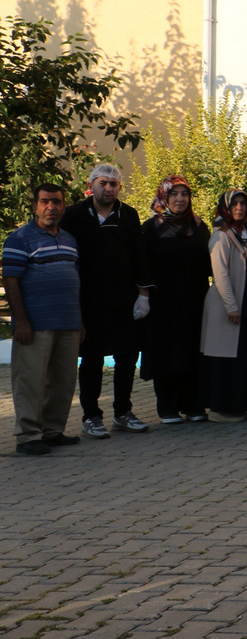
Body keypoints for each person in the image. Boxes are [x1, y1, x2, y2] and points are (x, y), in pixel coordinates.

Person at [60, 163, 152, 438]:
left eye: (113, 184)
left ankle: (123, 412)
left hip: (123, 298)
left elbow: (139, 255)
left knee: (127, 356)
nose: (108, 188)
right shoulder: (74, 215)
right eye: (103, 183)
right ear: (92, 185)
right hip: (88, 299)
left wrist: (143, 295)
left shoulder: (129, 215)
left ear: (120, 187)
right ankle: (91, 416)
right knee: (91, 359)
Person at [3, 184, 83, 455]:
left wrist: (80, 320)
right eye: (45, 202)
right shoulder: (19, 239)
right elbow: (11, 282)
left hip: (68, 321)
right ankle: (28, 436)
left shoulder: (70, 239)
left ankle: (52, 431)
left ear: (63, 205)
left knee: (63, 382)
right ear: (35, 206)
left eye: (57, 202)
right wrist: (21, 321)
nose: (51, 207)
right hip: (35, 324)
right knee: (30, 382)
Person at [139, 176, 212, 423]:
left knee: (193, 351)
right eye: (174, 194)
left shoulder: (199, 227)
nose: (180, 199)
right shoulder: (150, 229)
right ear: (164, 197)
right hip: (163, 304)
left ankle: (193, 405)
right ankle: (168, 407)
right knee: (167, 353)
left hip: (194, 302)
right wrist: (143, 296)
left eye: (185, 194)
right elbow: (142, 266)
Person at [199, 190, 247, 422]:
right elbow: (220, 273)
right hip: (225, 306)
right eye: (234, 204)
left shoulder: (243, 233)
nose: (240, 208)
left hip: (241, 304)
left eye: (243, 203)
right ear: (226, 207)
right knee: (223, 357)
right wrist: (231, 305)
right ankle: (219, 410)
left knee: (236, 357)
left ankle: (234, 406)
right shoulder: (221, 236)